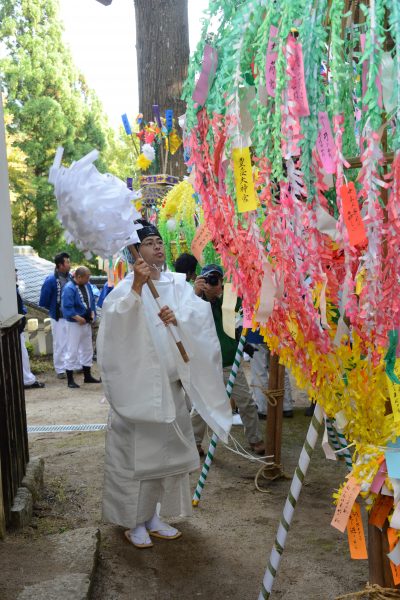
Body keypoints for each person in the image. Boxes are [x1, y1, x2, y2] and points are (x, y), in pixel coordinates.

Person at [97, 220, 232, 549]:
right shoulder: (124, 288)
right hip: (138, 389)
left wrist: (180, 318)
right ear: (136, 251)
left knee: (166, 458)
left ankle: (154, 515)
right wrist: (136, 291)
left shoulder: (176, 283)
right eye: (150, 243)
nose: (158, 247)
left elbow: (197, 314)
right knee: (135, 459)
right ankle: (133, 520)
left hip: (169, 387)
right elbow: (114, 326)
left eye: (159, 242)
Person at [192, 264, 265, 455]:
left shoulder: (231, 299)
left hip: (230, 363)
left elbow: (245, 315)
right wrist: (197, 294)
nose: (211, 284)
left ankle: (255, 439)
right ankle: (194, 442)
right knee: (202, 406)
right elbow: (187, 317)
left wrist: (223, 295)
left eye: (215, 279)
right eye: (207, 279)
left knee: (246, 402)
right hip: (207, 364)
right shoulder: (195, 301)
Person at [61, 266, 100, 389]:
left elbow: (91, 301)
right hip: (74, 324)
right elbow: (67, 307)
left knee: (87, 349)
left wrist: (92, 313)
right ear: (78, 277)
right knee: (72, 350)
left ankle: (87, 376)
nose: (88, 279)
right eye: (87, 277)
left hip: (86, 321)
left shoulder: (87, 285)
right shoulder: (69, 288)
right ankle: (70, 379)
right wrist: (78, 318)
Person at [39, 252, 73, 379]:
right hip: (58, 317)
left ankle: (71, 365)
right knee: (59, 343)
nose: (69, 264)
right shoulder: (51, 280)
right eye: (67, 262)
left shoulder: (70, 278)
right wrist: (55, 309)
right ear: (60, 265)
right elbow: (44, 300)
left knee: (71, 342)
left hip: (71, 317)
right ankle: (60, 369)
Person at [248, 331, 294, 418]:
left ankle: (263, 409)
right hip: (278, 332)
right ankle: (286, 406)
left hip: (257, 333)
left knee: (259, 373)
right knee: (280, 370)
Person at [16, 270, 45, 390]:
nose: (17, 275)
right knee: (22, 355)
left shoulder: (15, 287)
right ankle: (26, 380)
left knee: (23, 355)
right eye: (15, 273)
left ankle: (26, 379)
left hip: (18, 327)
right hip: (15, 328)